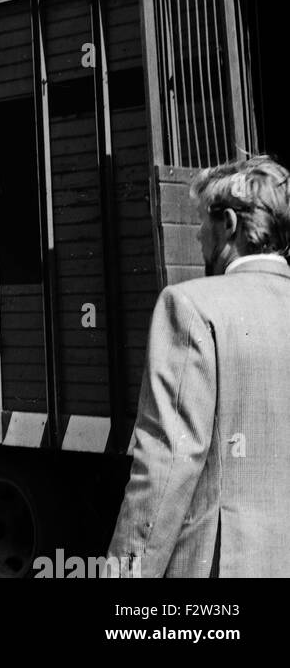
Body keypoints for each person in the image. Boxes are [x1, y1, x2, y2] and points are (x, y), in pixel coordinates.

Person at [108, 155, 290, 576]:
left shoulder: (191, 306)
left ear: (228, 224)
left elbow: (168, 464)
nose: (197, 234)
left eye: (203, 221)